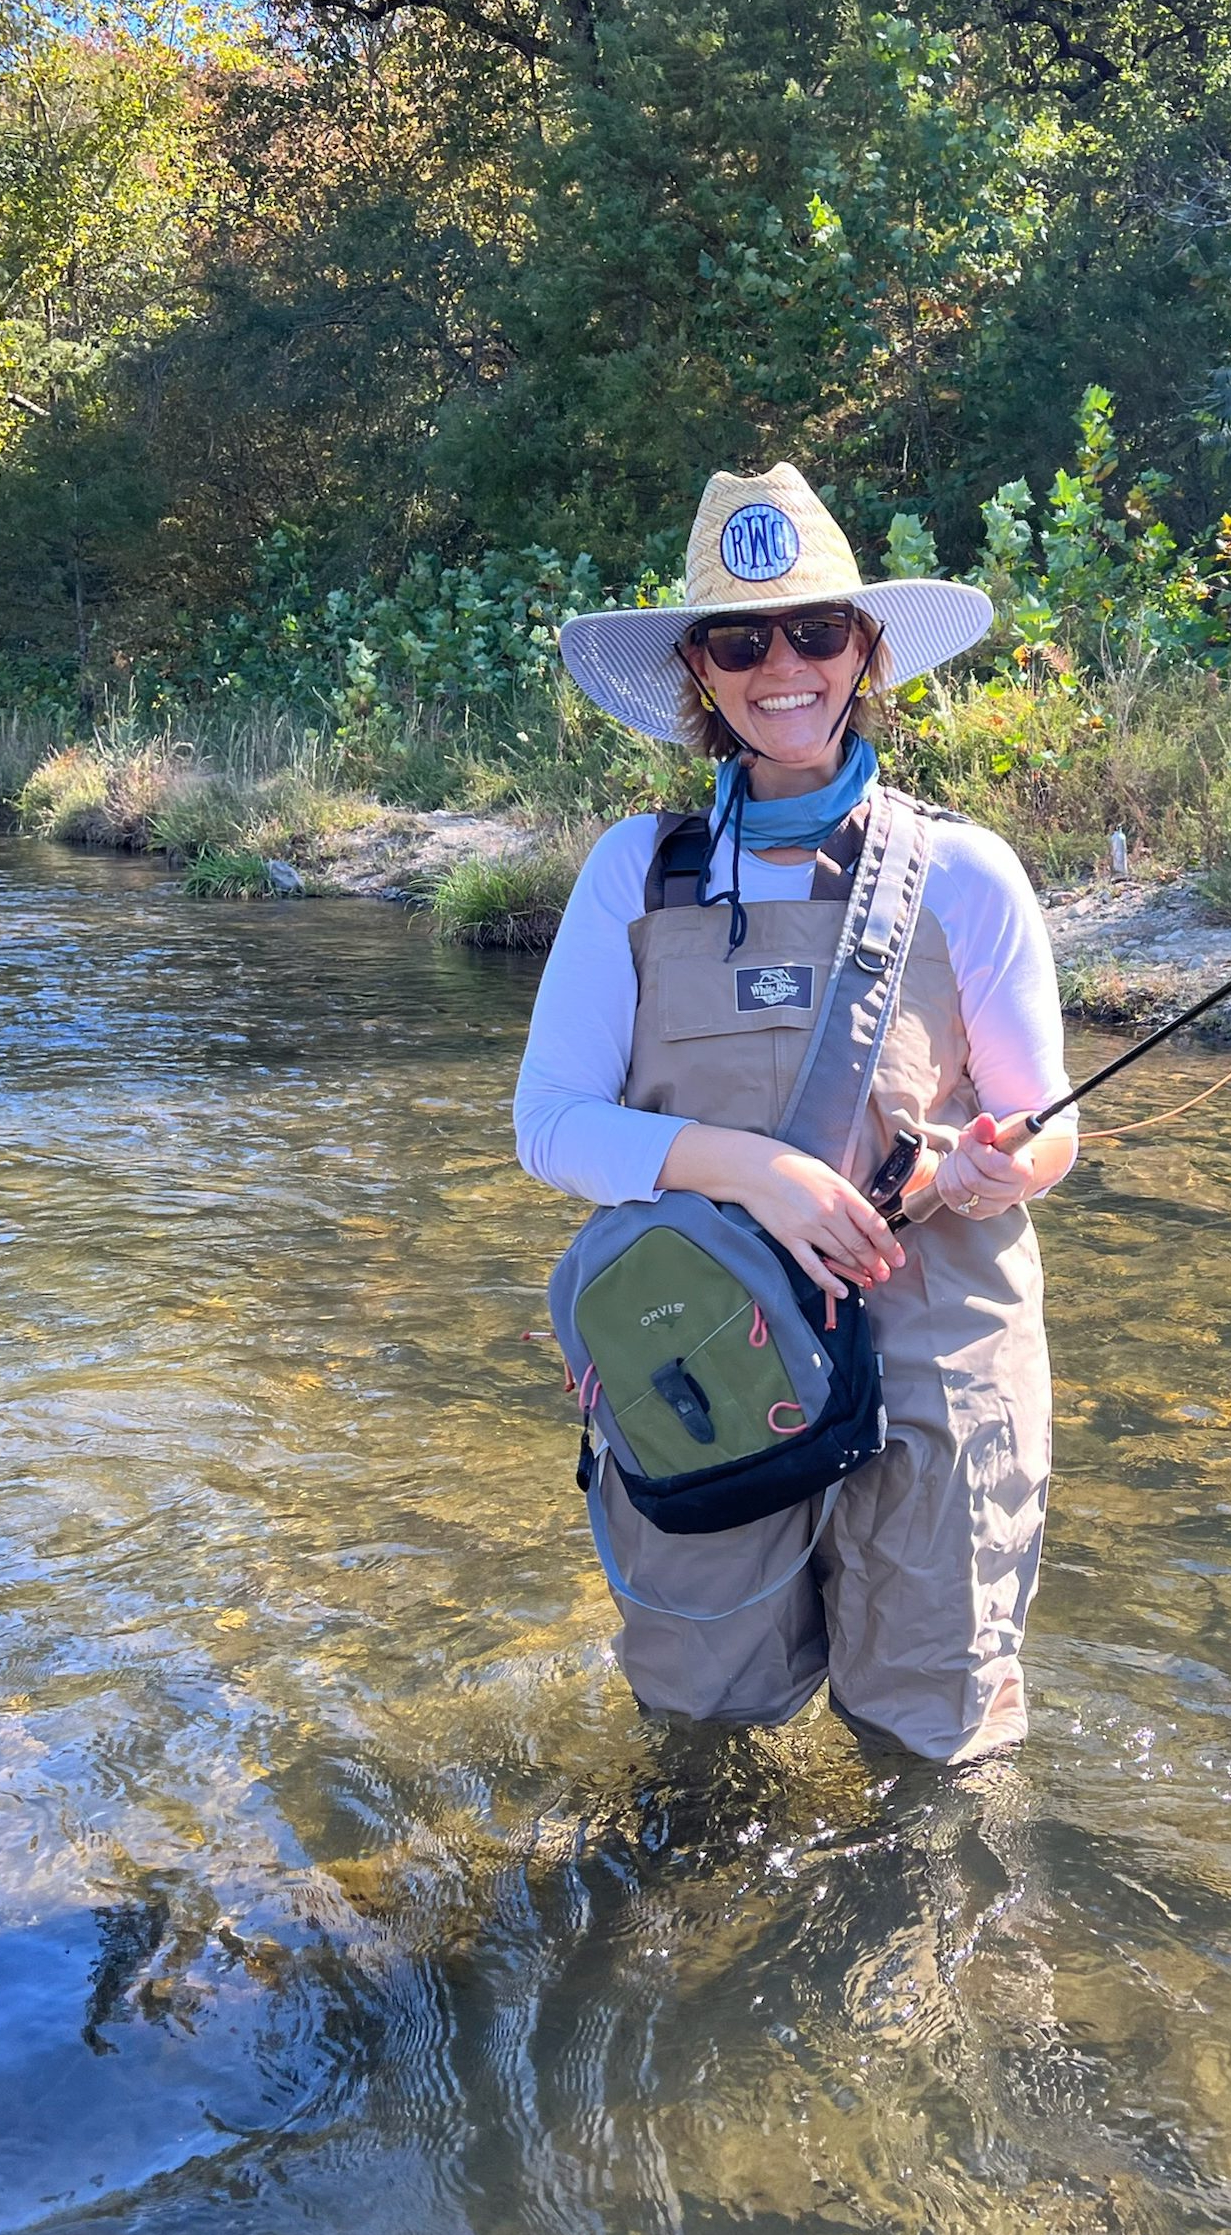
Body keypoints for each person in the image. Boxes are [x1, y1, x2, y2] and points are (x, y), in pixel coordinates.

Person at [514, 462, 1076, 1763]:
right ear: (701, 671)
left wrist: (1006, 1166)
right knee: (698, 1732)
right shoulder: (630, 873)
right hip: (705, 1355)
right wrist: (753, 1173)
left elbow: (1044, 1119)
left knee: (936, 1747)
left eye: (818, 630)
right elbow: (551, 1125)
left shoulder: (970, 870)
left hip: (941, 1356)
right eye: (743, 639)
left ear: (865, 650)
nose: (787, 666)